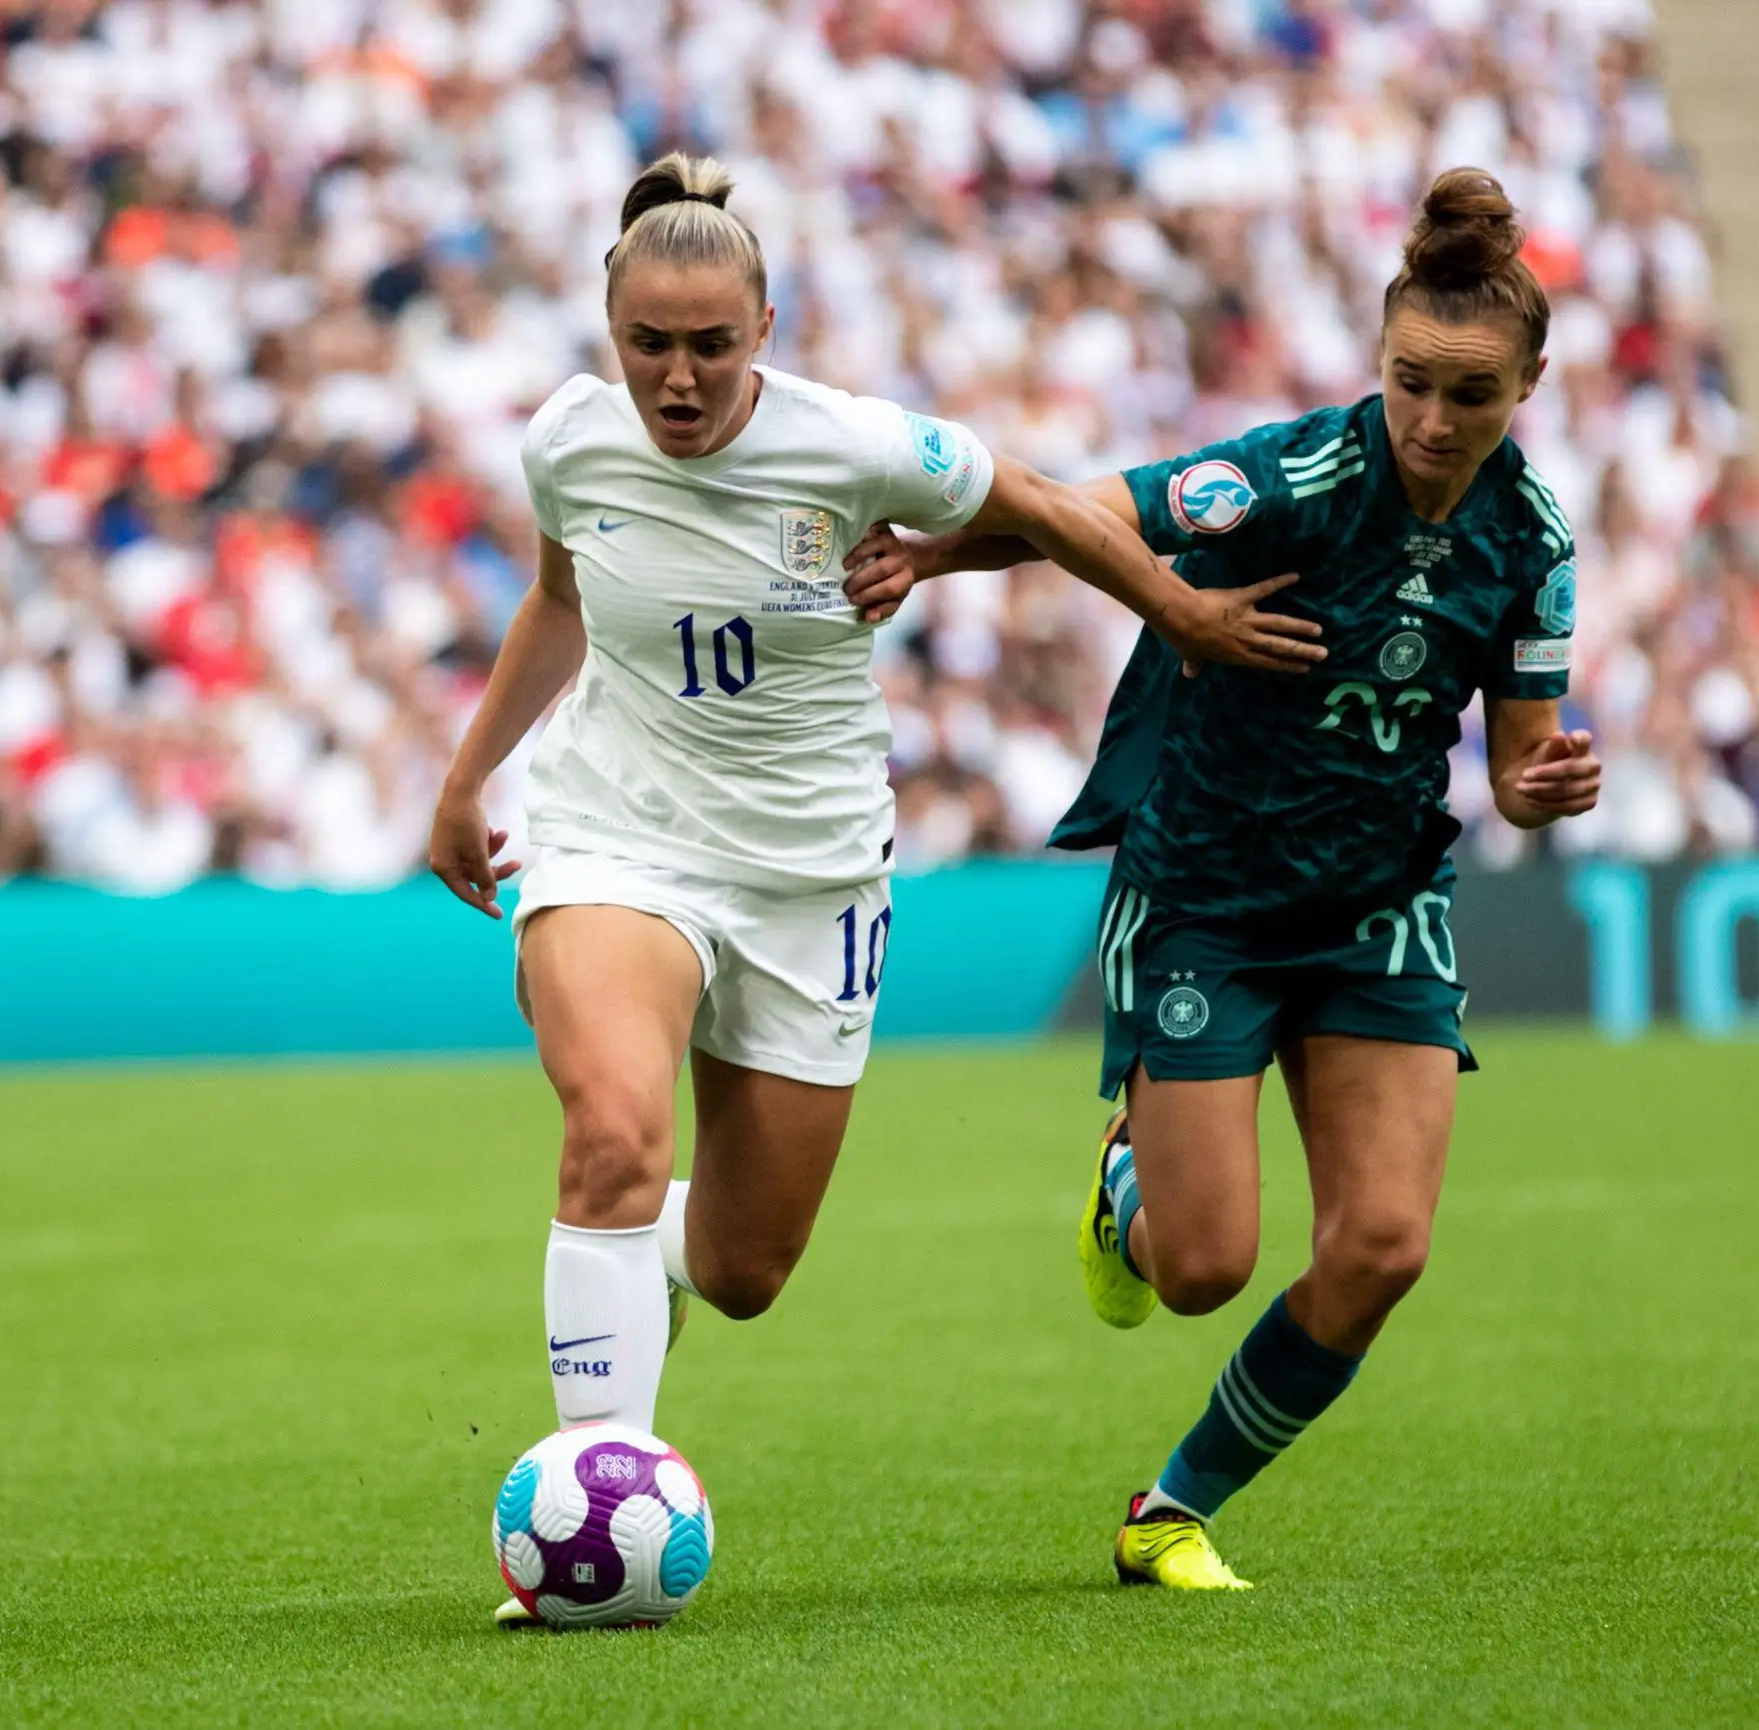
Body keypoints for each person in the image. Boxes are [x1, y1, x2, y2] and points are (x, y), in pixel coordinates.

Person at [428, 153, 1323, 1626]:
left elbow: (1039, 502)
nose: (676, 375)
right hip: (612, 837)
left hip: (808, 874)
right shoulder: (567, 444)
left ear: (765, 325)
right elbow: (558, 598)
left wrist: (1180, 612)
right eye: (647, 342)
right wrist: (469, 781)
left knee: (743, 1265)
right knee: (612, 1126)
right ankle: (598, 1494)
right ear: (608, 329)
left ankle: (641, 1255)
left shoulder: (851, 445)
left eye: (710, 343)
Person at [842, 169, 1603, 1591]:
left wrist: (1543, 785)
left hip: (1376, 904)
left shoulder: (1534, 547)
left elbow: (1511, 767)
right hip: (1205, 894)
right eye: (1410, 383)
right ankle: (1126, 1178)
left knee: (1379, 1245)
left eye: (1473, 394)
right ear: (1378, 358)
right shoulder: (1294, 475)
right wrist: (932, 557)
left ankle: (1169, 1508)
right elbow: (1081, 508)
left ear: (1529, 381)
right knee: (1198, 1268)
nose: (1434, 422)